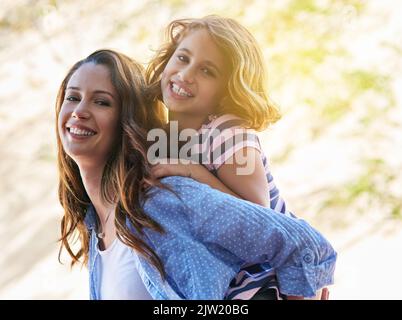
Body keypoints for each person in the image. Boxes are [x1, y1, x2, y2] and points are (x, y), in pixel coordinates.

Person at [56, 49, 336, 300]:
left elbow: (303, 243)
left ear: (127, 119)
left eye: (102, 102)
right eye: (73, 97)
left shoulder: (160, 198)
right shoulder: (96, 226)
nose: (80, 111)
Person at [146, 15, 325, 299]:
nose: (186, 74)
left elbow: (258, 218)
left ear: (227, 89)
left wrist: (192, 171)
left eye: (207, 71)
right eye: (182, 58)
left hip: (269, 285)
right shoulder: (168, 137)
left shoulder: (227, 132)